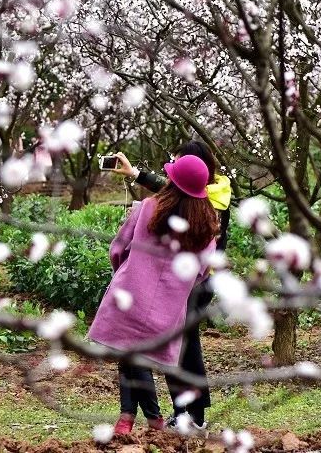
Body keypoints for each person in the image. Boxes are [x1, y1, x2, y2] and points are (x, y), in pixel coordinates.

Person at [88, 154, 219, 435]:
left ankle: (136, 418)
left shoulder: (148, 207)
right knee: (137, 356)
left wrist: (127, 272)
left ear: (171, 181)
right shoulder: (207, 231)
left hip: (130, 298)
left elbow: (118, 249)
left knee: (129, 353)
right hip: (167, 314)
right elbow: (201, 273)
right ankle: (147, 420)